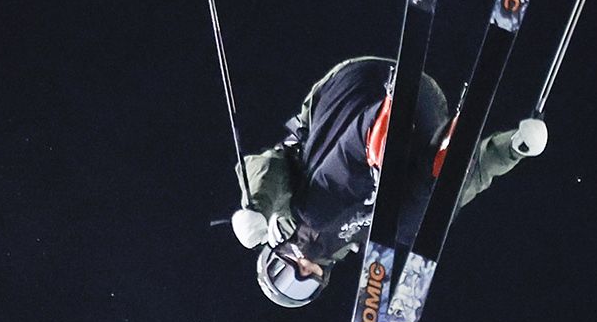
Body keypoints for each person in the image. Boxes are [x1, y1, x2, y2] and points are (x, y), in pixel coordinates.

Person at [229, 56, 549, 306]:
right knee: (414, 225)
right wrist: (513, 149)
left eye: (282, 272)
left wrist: (261, 206)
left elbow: (266, 167)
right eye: (302, 285)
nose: (300, 270)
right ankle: (445, 156)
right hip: (425, 112)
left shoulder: (289, 212)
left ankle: (380, 131)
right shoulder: (358, 237)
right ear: (322, 280)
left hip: (350, 92)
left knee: (312, 213)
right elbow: (467, 187)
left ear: (271, 252)